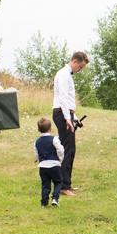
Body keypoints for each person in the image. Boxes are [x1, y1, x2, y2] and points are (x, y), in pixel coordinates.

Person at [52, 51, 89, 197]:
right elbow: (62, 98)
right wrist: (68, 118)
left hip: (66, 114)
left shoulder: (67, 75)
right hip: (61, 113)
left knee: (68, 149)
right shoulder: (63, 74)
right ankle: (63, 187)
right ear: (74, 61)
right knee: (68, 150)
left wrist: (75, 118)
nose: (79, 70)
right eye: (80, 67)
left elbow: (68, 100)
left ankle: (65, 184)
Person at [34, 117, 66, 207]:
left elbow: (36, 153)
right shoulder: (54, 139)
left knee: (45, 184)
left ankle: (44, 203)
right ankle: (55, 199)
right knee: (58, 182)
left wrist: (37, 160)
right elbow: (60, 150)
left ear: (38, 129)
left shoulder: (36, 142)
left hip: (43, 166)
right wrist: (60, 159)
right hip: (54, 165)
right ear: (50, 129)